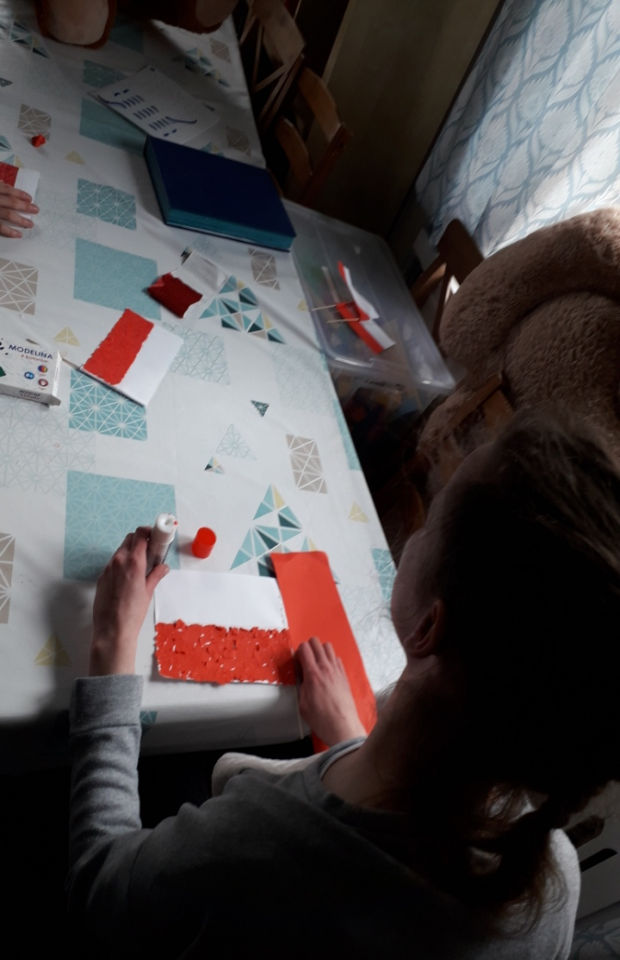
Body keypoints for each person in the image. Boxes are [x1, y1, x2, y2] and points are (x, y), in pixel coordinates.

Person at [66, 413, 620, 958]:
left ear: (429, 626)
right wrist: (350, 739)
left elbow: (103, 881)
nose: (416, 531)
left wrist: (112, 645)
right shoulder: (552, 876)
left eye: (431, 520)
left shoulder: (259, 842)